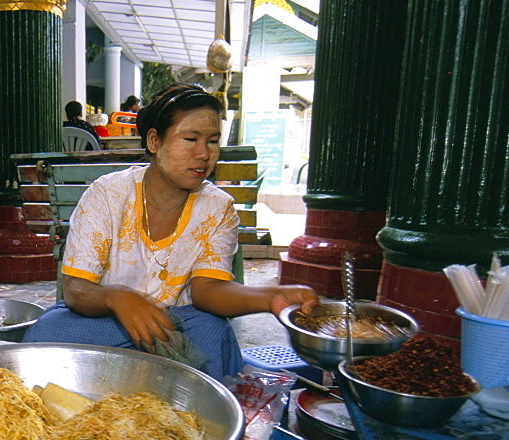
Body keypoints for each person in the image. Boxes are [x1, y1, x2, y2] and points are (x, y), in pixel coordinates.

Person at [23, 83, 318, 382]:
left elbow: (207, 290)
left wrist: (270, 299)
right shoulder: (108, 195)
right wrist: (117, 298)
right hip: (107, 322)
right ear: (154, 141)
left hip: (177, 326)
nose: (203, 153)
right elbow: (76, 290)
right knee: (49, 332)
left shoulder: (219, 208)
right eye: (190, 139)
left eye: (213, 141)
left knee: (213, 333)